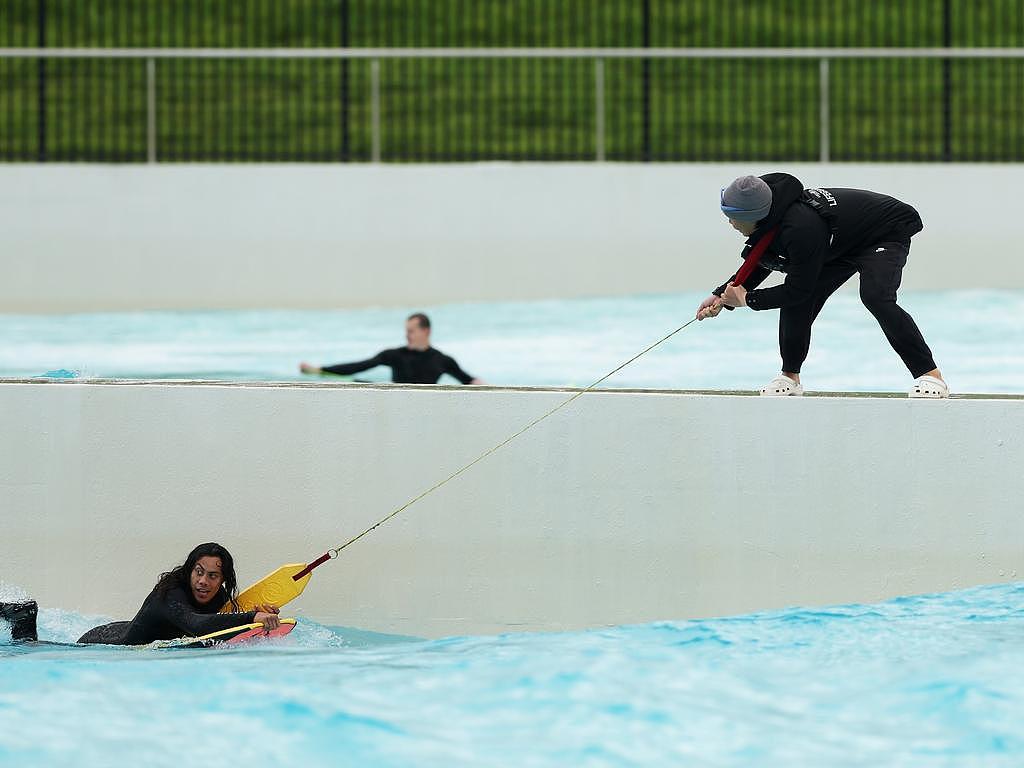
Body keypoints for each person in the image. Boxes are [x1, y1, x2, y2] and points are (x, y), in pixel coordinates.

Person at [696, 173, 948, 398]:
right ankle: (790, 377)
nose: (730, 224)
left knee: (876, 297)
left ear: (752, 216)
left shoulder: (800, 227)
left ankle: (931, 375)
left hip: (884, 231)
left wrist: (747, 300)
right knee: (801, 300)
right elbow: (763, 259)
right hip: (839, 242)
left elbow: (797, 289)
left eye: (732, 218)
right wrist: (721, 295)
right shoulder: (768, 209)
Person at [72, 542, 280, 645]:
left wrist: (262, 617)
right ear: (190, 570)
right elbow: (195, 624)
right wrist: (253, 617)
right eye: (198, 572)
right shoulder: (170, 593)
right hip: (102, 644)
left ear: (222, 579)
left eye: (213, 576)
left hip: (128, 627)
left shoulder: (219, 597)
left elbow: (223, 625)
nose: (203, 581)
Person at [300, 312, 483, 385]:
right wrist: (319, 370)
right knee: (358, 381)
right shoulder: (395, 355)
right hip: (397, 403)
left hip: (425, 408)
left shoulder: (442, 360)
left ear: (426, 331)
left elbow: (467, 380)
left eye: (411, 331)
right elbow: (360, 365)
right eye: (406, 331)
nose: (407, 335)